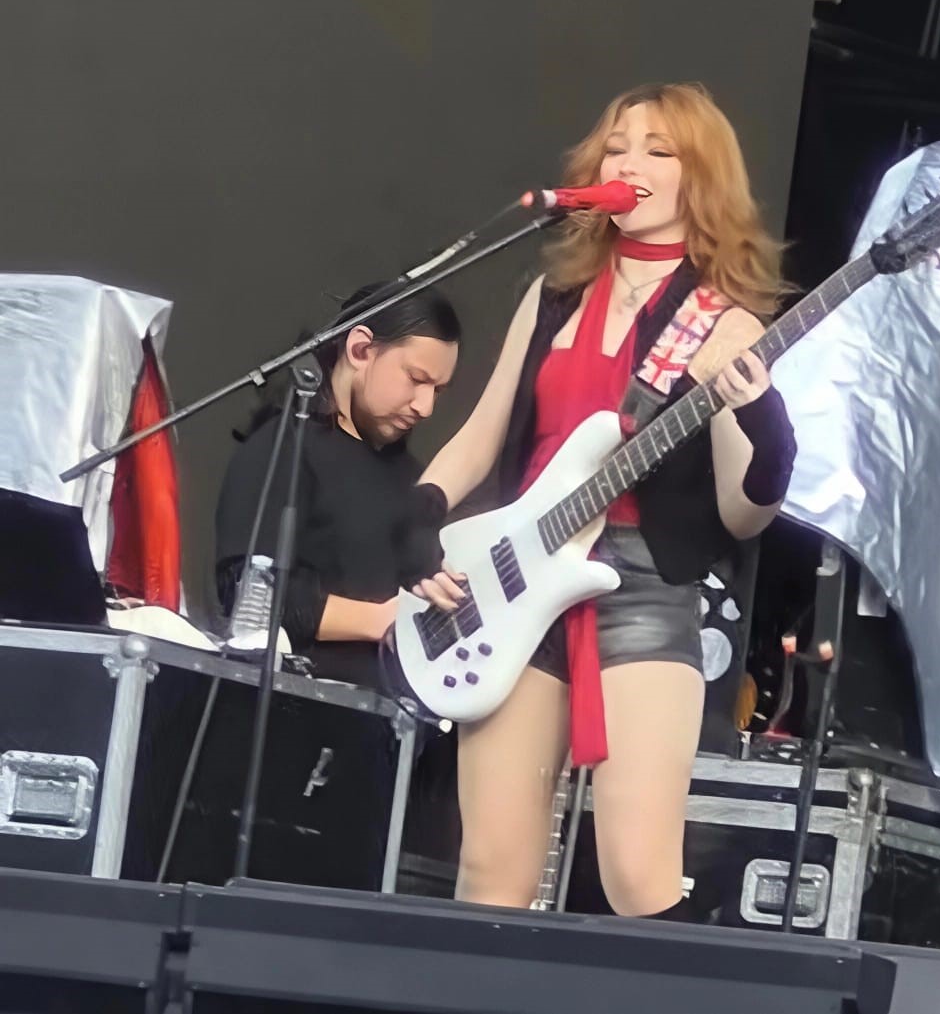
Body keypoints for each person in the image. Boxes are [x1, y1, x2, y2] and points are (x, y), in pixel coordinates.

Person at [404, 82, 796, 919]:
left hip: (643, 587)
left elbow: (747, 509)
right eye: (616, 147)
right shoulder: (553, 296)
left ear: (702, 177)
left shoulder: (722, 320)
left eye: (658, 150)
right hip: (518, 577)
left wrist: (757, 410)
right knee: (491, 873)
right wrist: (423, 514)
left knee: (639, 877)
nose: (629, 163)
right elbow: (483, 432)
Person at [214, 284, 461, 689]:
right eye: (416, 379)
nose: (426, 406)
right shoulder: (284, 448)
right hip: (298, 699)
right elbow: (250, 593)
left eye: (438, 390)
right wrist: (382, 619)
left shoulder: (417, 482)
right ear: (360, 349)